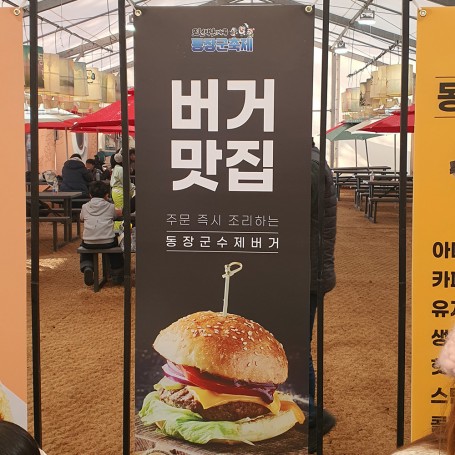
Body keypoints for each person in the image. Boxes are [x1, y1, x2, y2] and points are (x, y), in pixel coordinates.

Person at [308, 139, 337, 452]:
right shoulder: (311, 160)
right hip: (308, 270)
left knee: (295, 348)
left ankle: (312, 417)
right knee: (296, 346)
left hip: (307, 274)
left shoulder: (309, 164)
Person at [80, 181, 124, 286]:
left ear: (90, 195)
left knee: (84, 246)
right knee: (115, 247)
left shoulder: (85, 207)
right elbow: (117, 215)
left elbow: (81, 218)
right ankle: (117, 272)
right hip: (107, 241)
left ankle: (87, 266)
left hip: (89, 242)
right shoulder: (110, 206)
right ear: (106, 195)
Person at [110, 151, 135, 230]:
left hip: (117, 192)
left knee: (120, 211)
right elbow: (126, 182)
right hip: (120, 192)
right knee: (122, 213)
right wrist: (133, 188)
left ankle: (119, 230)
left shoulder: (117, 168)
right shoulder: (120, 169)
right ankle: (120, 230)